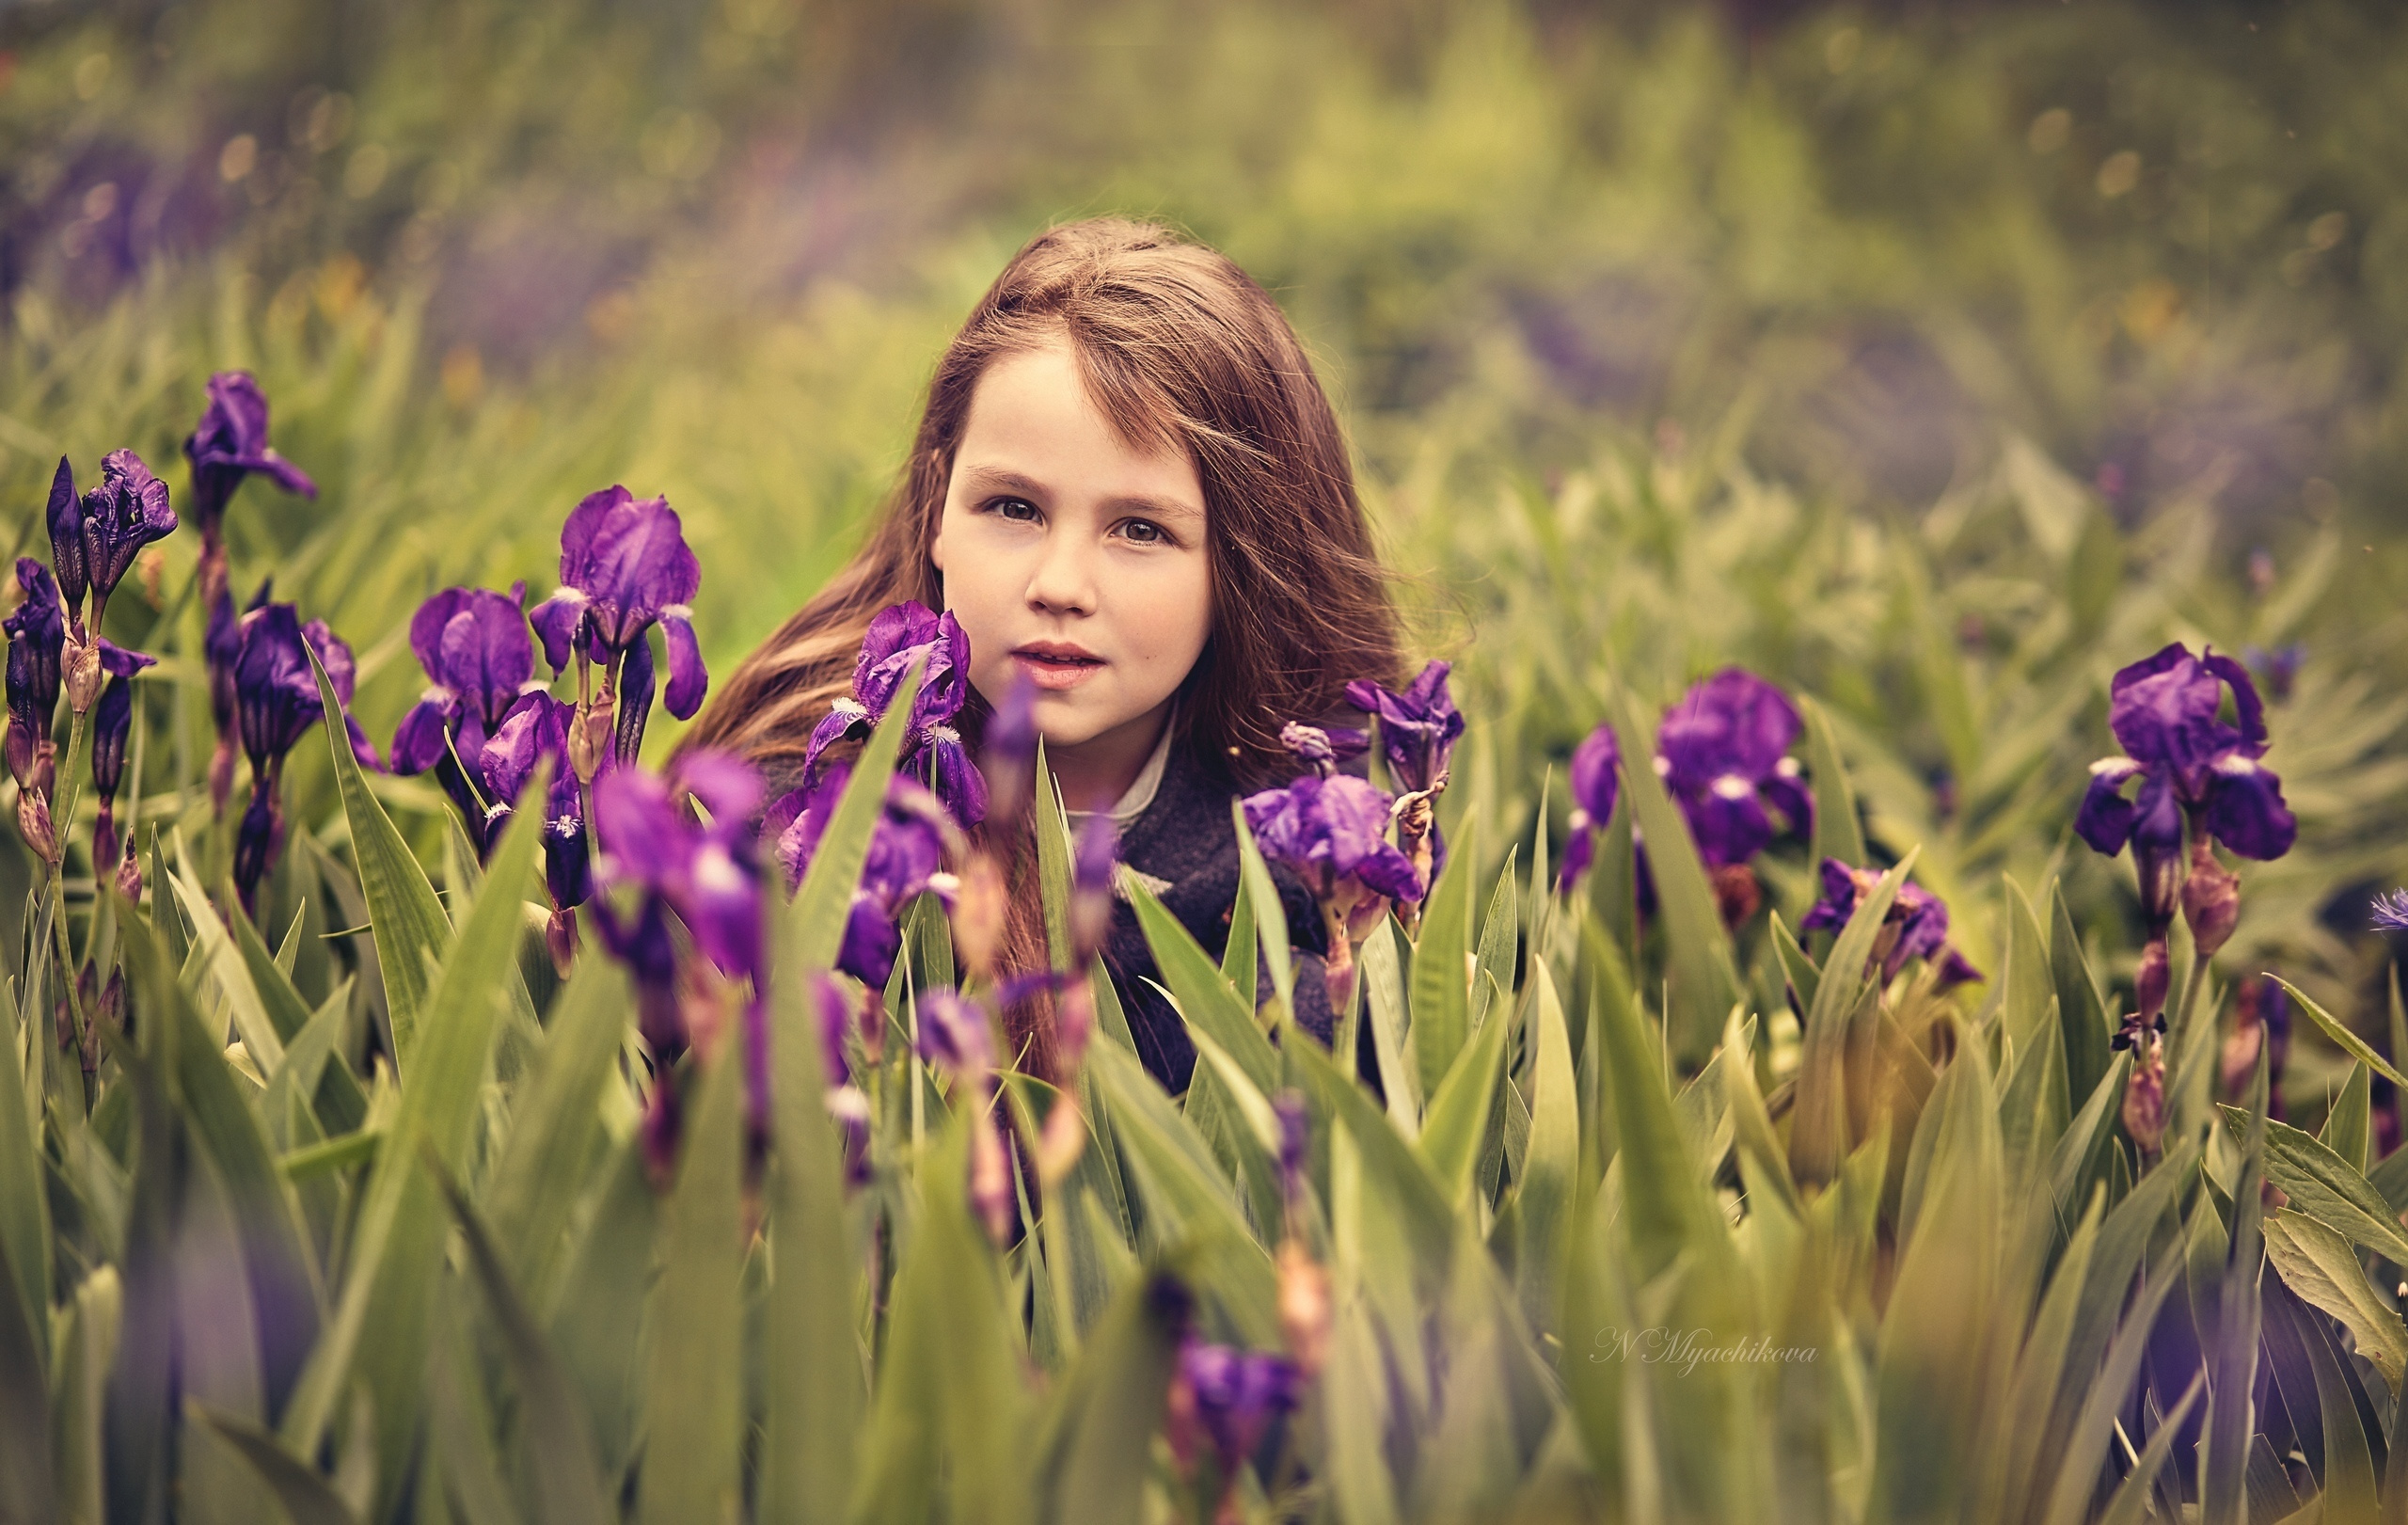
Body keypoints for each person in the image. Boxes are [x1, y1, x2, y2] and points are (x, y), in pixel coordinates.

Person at [682, 216, 1410, 1093]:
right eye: (1015, 508)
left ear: (1245, 562)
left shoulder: (1318, 828)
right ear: (936, 510)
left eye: (1140, 529)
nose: (1060, 583)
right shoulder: (799, 802)